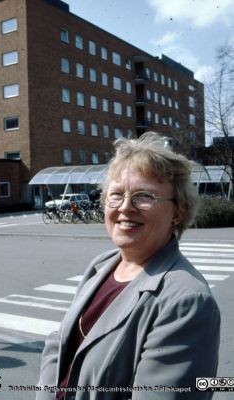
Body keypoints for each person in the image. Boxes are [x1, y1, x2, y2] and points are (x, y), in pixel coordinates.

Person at [37, 132, 220, 400]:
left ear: (178, 211)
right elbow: (59, 344)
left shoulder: (187, 301)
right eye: (116, 194)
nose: (125, 207)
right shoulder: (101, 266)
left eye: (143, 195)